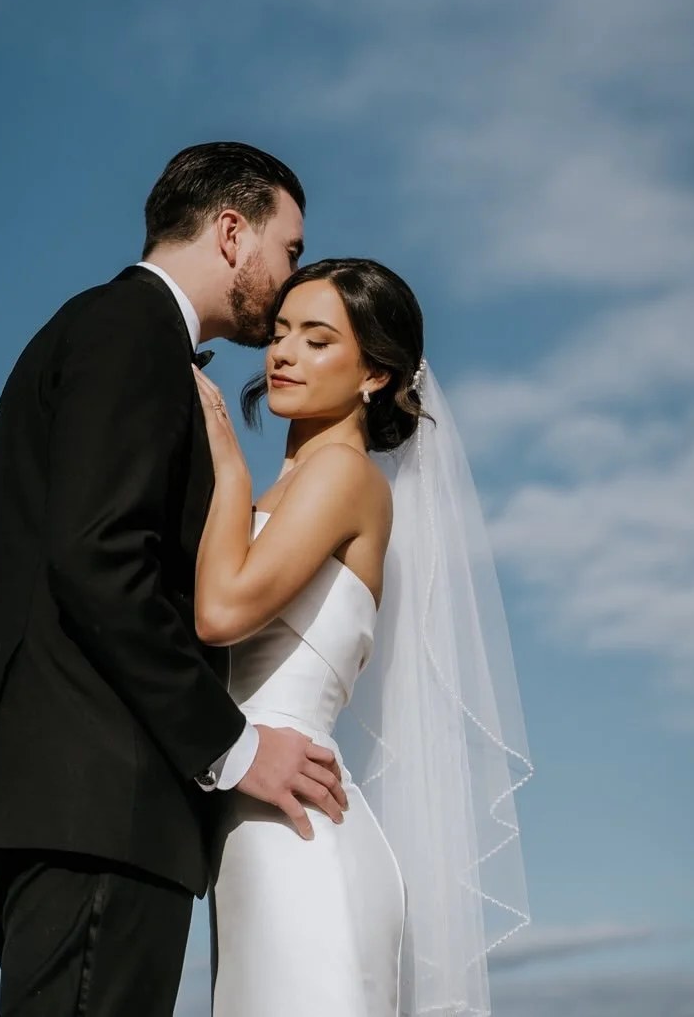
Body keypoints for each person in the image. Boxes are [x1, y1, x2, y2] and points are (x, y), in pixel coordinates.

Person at [0, 143, 348, 1017]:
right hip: (99, 802)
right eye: (289, 249)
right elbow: (98, 556)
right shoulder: (131, 330)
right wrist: (236, 747)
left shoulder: (108, 329)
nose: (291, 277)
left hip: (68, 799)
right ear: (231, 233)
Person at [193, 258, 532, 1017]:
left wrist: (226, 473)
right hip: (264, 825)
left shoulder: (342, 475)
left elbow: (220, 614)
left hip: (299, 840)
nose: (281, 353)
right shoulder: (302, 482)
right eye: (279, 333)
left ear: (375, 374)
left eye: (316, 340)